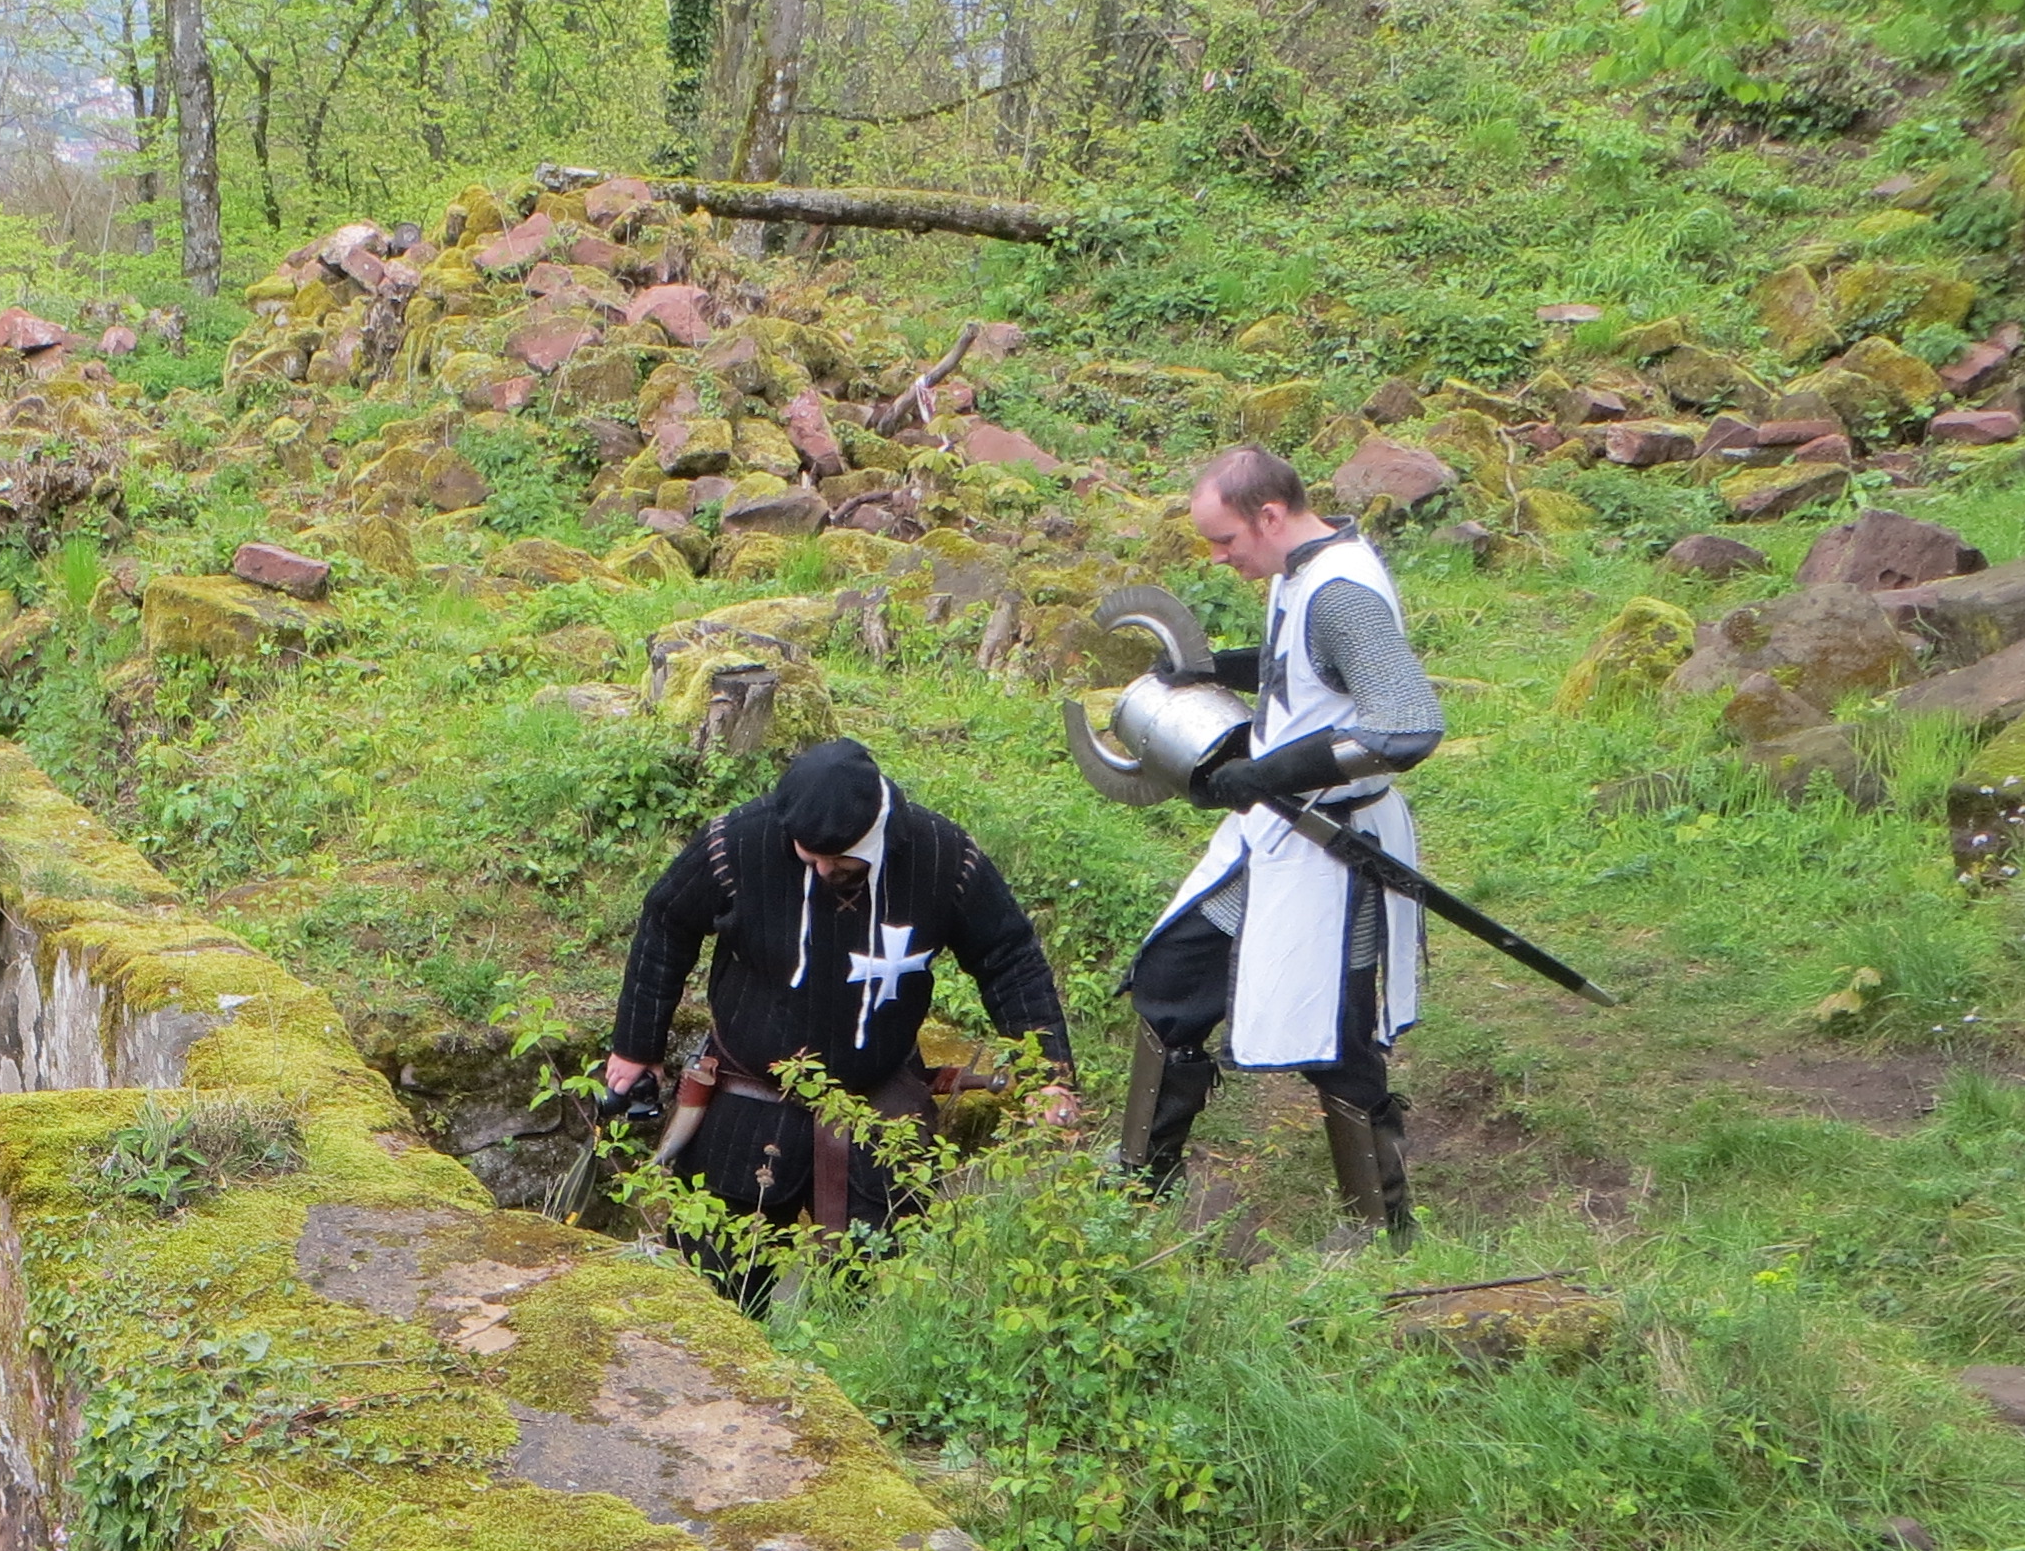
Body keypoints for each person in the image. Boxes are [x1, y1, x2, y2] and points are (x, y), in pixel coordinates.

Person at [604, 736, 1075, 1297]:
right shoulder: (740, 841)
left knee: (869, 1295)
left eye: (838, 858)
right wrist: (637, 1045)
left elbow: (1009, 956)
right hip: (747, 1097)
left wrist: (1048, 1074)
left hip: (881, 1105)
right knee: (712, 1289)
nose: (824, 869)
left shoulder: (943, 856)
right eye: (810, 857)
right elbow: (666, 923)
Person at [1119, 445, 1448, 1242]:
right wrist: (1208, 669)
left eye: (1225, 540)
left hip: (1334, 847)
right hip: (1270, 832)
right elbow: (1300, 676)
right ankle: (1137, 1184)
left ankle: (1380, 1226)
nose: (1218, 557)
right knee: (1170, 977)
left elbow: (1407, 726)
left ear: (1269, 516)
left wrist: (1269, 772)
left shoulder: (1340, 592)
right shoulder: (1297, 571)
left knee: (1334, 1038)